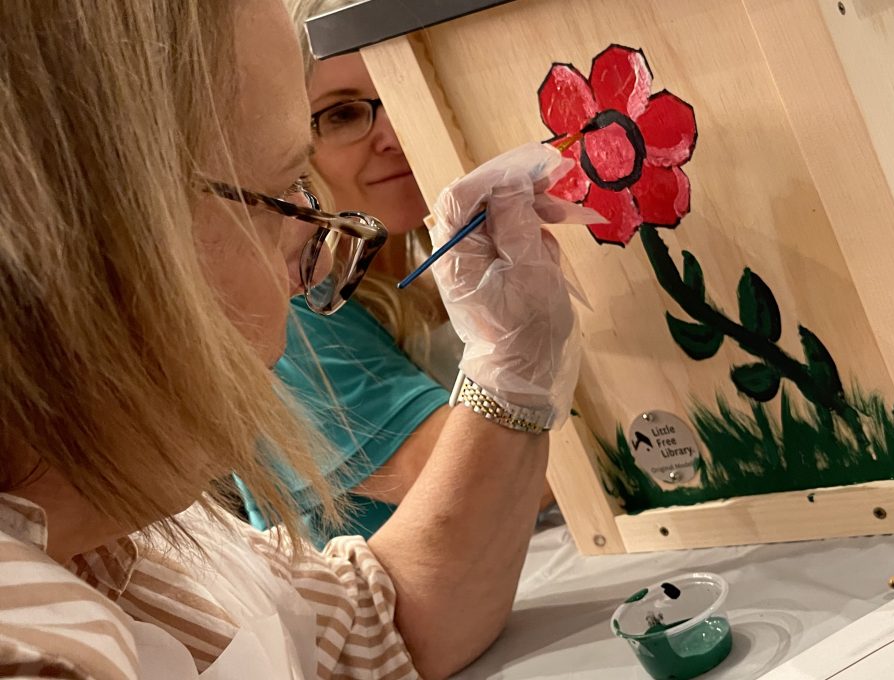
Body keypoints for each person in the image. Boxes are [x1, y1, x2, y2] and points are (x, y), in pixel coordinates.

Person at [0, 0, 590, 678]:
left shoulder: (130, 539)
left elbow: (375, 625)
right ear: (100, 238)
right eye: (284, 193)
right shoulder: (34, 653)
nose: (304, 245)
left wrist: (507, 370)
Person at [236, 0, 553, 542]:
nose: (393, 135)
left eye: (402, 94)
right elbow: (477, 480)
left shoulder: (421, 273)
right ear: (288, 145)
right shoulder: (293, 307)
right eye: (342, 113)